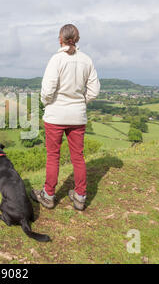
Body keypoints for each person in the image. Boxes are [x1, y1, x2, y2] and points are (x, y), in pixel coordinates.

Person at [31, 24, 100, 211]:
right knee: (78, 157)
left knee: (53, 156)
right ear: (77, 39)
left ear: (60, 38)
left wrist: (48, 103)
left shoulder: (56, 60)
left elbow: (47, 90)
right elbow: (94, 91)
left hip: (55, 115)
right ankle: (80, 196)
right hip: (77, 116)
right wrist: (80, 102)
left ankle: (49, 195)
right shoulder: (87, 60)